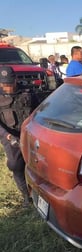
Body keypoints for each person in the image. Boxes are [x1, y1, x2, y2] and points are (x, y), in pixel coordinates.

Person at [0, 66, 39, 207]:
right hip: (10, 137)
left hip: (29, 134)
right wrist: (8, 136)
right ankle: (26, 197)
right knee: (16, 165)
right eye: (4, 85)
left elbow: (38, 109)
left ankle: (38, 191)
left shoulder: (27, 92)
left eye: (10, 84)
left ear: (16, 80)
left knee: (35, 163)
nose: (8, 88)